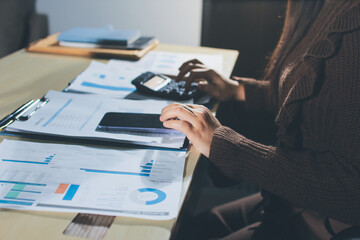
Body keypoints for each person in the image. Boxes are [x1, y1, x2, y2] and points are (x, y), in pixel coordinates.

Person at [160, 0, 360, 239]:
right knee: (192, 229)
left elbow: (351, 190)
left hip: (325, 222)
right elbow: (315, 97)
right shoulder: (316, 5)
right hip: (287, 202)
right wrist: (236, 90)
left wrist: (226, 147)